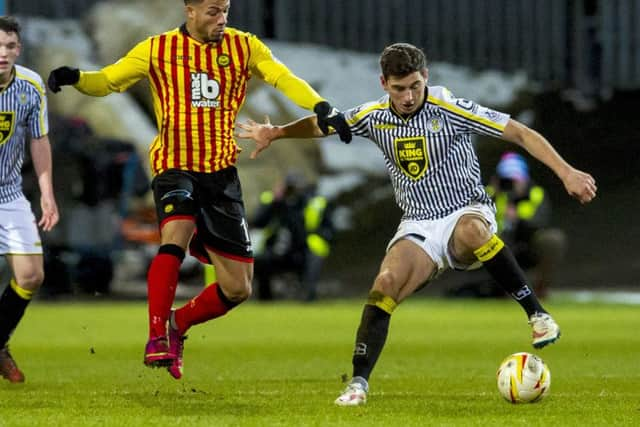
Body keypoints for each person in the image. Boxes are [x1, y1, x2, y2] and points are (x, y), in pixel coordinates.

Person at [237, 42, 597, 405]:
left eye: (414, 86)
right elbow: (325, 124)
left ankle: (537, 315)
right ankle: (357, 384)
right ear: (383, 83)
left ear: (425, 77)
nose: (408, 96)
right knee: (385, 283)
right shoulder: (375, 116)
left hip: (466, 210)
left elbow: (519, 132)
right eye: (399, 88)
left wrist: (566, 173)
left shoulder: (450, 108)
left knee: (473, 231)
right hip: (419, 224)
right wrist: (278, 133)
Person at [46, 0, 351, 381]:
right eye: (212, 11)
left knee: (238, 288)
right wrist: (76, 76)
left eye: (225, 10)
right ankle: (157, 334)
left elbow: (282, 76)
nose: (221, 19)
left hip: (221, 177)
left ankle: (178, 323)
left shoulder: (244, 46)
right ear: (189, 10)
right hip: (175, 167)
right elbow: (108, 80)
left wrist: (321, 105)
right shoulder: (158, 49)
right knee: (176, 232)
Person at [0, 16, 59, 383]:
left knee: (31, 274)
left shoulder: (30, 85)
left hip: (8, 194)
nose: (2, 54)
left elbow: (39, 140)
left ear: (18, 49)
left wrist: (47, 193)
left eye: (8, 46)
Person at [486, 152, 567, 298]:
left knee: (552, 239)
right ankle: (503, 292)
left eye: (516, 179)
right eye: (507, 179)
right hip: (498, 245)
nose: (512, 183)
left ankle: (540, 290)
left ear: (525, 178)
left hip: (527, 242)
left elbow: (540, 222)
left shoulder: (536, 194)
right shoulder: (490, 194)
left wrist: (518, 219)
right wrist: (494, 193)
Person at [251, 172, 334, 301]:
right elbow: (258, 223)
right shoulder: (274, 201)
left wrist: (296, 204)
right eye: (291, 187)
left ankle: (308, 298)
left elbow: (325, 229)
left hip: (302, 249)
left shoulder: (312, 202)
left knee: (313, 258)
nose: (294, 191)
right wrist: (276, 201)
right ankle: (265, 300)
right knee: (260, 260)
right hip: (277, 249)